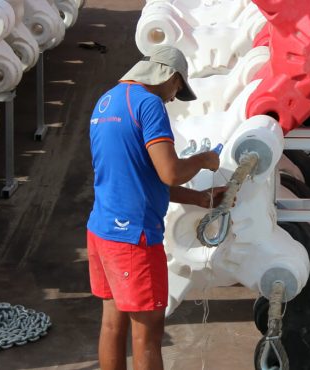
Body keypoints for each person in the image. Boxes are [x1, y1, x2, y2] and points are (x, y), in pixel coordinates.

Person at [86, 45, 223, 370]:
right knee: (147, 336)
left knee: (111, 325)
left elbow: (137, 177)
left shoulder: (106, 101)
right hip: (134, 239)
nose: (173, 98)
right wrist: (204, 160)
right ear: (170, 76)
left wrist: (199, 200)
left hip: (102, 231)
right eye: (178, 88)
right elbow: (170, 172)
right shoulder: (148, 105)